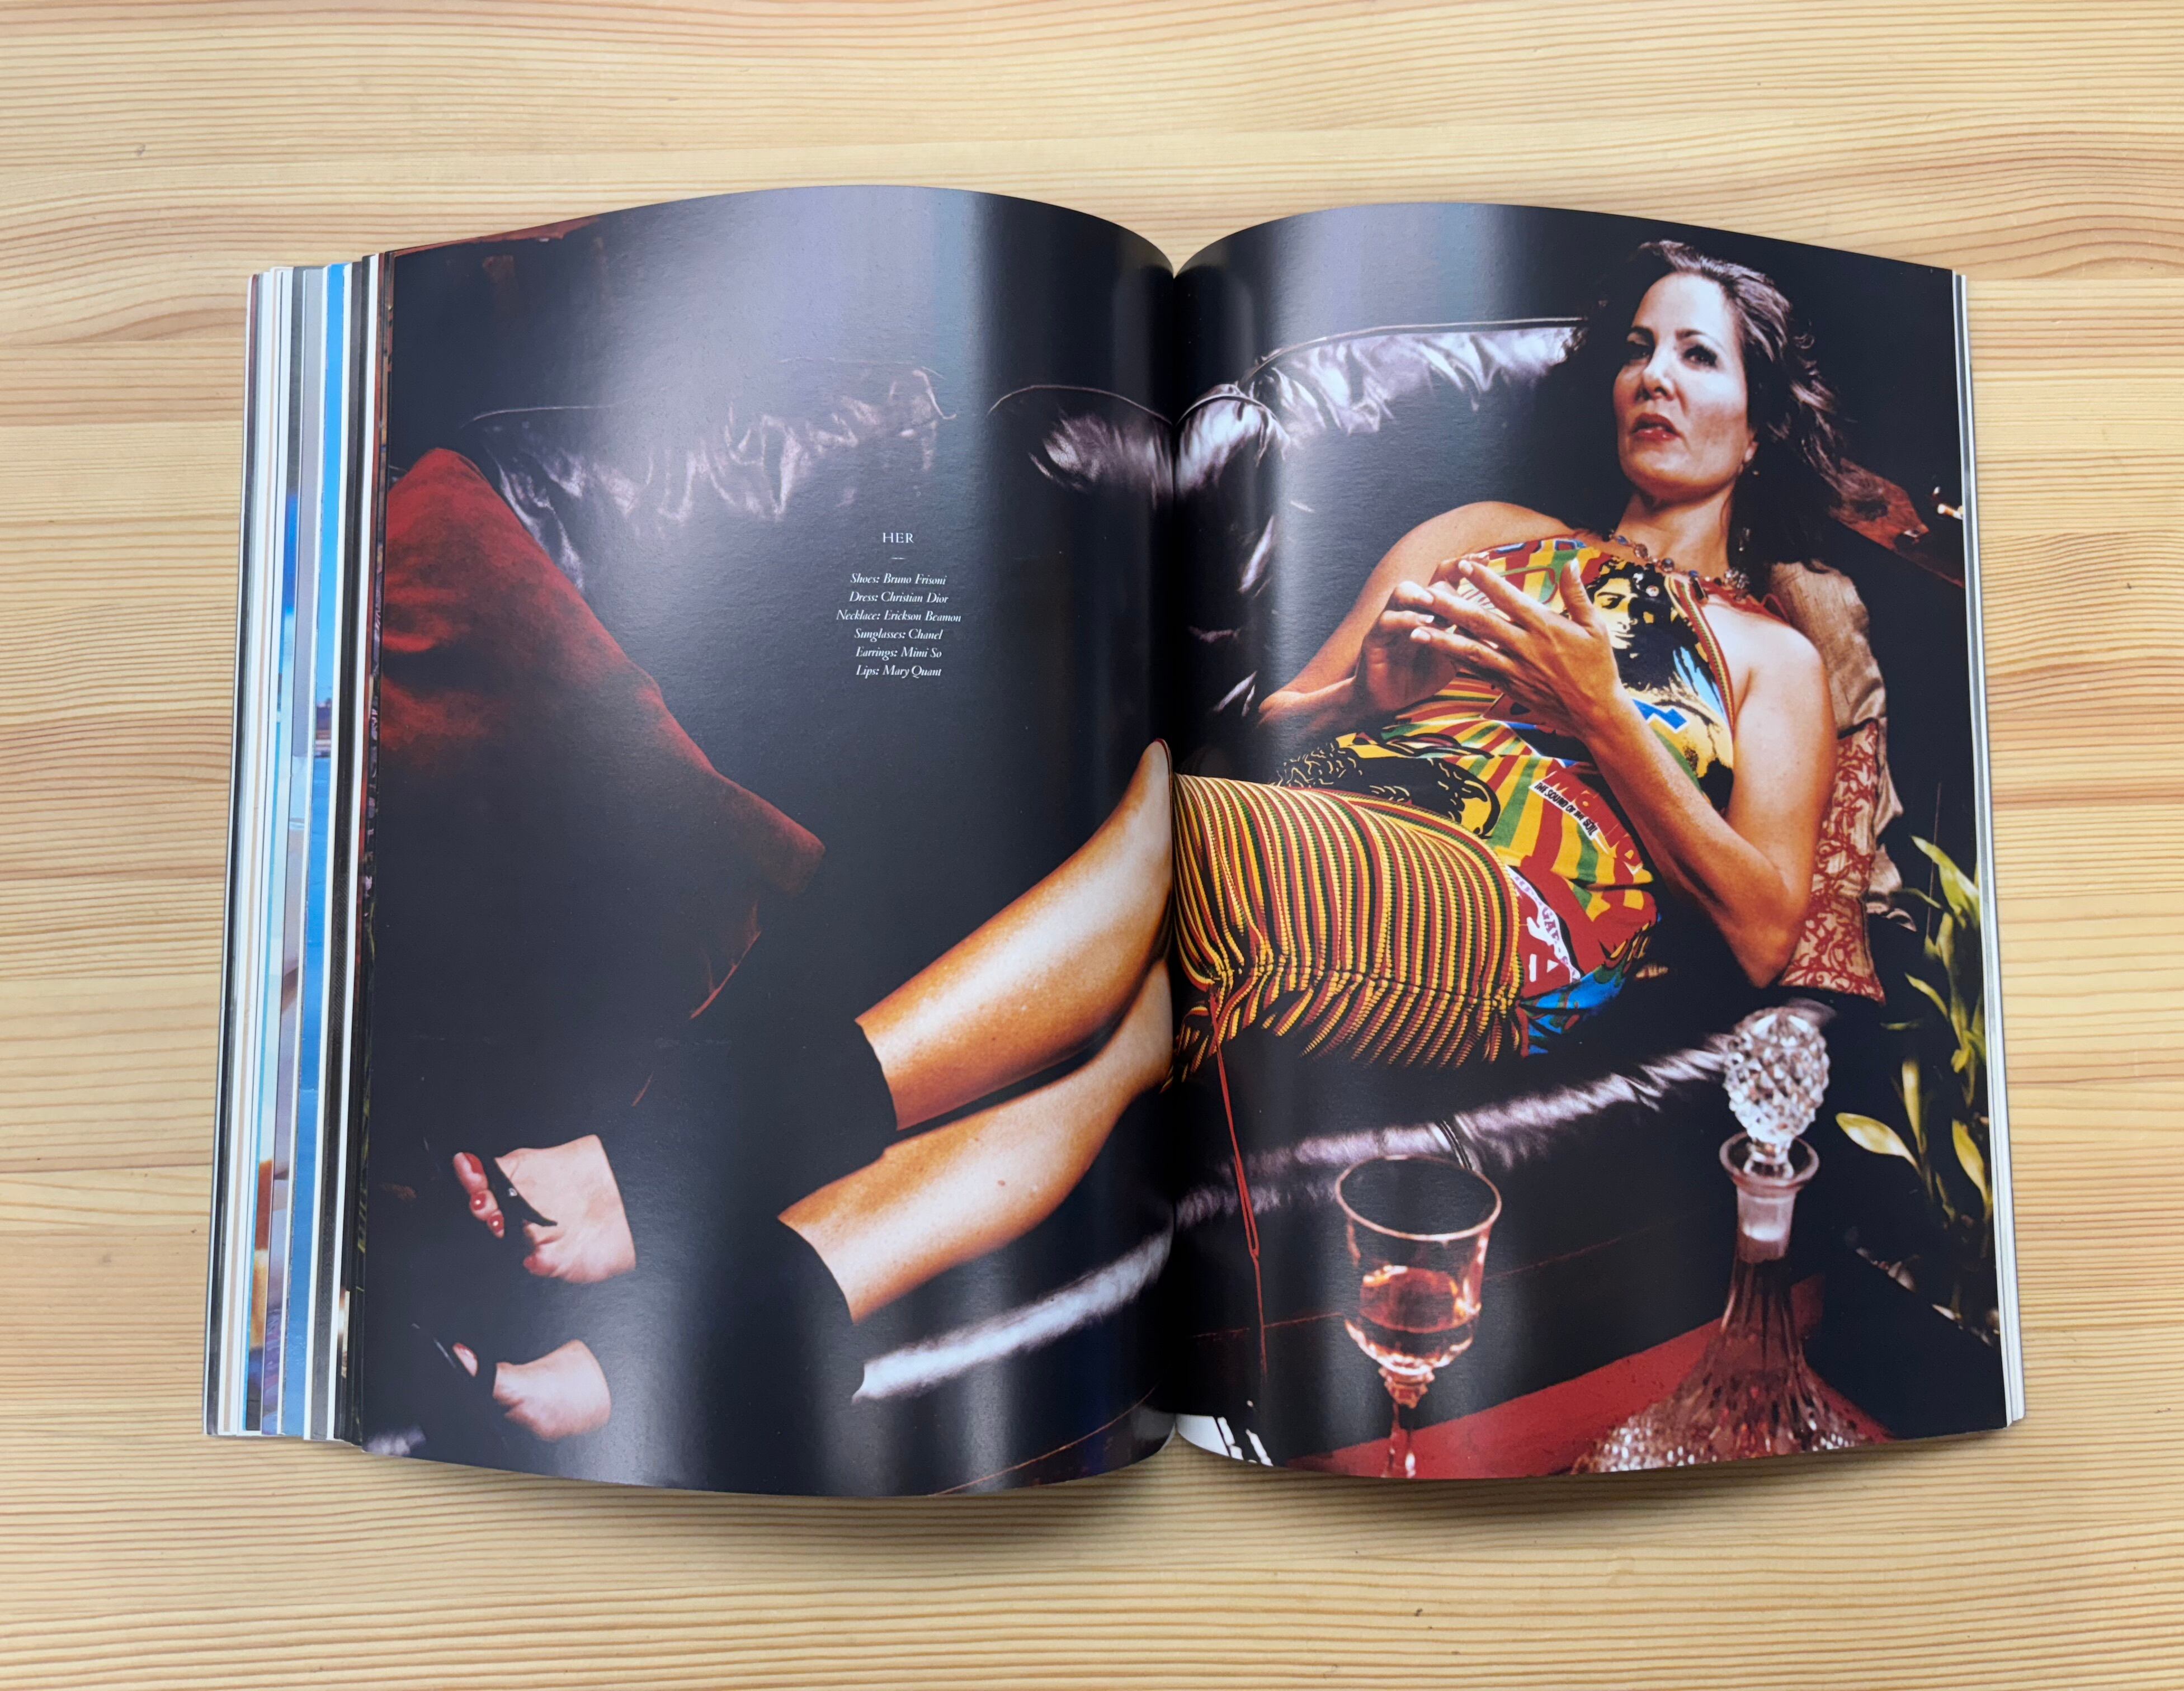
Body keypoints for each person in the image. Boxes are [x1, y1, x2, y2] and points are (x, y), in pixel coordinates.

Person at [445, 239, 1875, 1459]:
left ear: (1758, 423)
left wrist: (1599, 710)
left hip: (1507, 910)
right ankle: (683, 1350)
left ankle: (658, 1171)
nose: (1655, 377)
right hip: (1307, 828)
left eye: (1699, 357)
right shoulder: (1486, 530)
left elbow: (1764, 928)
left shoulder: (1769, 656)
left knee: (1174, 835)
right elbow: (1264, 731)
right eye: (1638, 349)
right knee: (1112, 1037)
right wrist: (1355, 695)